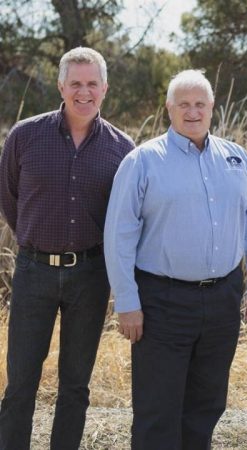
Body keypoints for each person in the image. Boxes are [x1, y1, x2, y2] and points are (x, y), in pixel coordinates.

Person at [103, 69, 247, 449]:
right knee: (157, 412)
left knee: (206, 407)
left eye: (200, 104)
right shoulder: (142, 161)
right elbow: (118, 236)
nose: (192, 112)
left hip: (223, 299)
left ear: (212, 107)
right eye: (184, 105)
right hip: (161, 302)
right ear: (169, 108)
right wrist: (126, 302)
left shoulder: (237, 159)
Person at [0, 47, 134, 450]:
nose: (83, 92)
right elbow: (9, 198)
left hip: (91, 275)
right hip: (34, 272)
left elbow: (124, 217)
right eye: (75, 83)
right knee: (21, 381)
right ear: (61, 86)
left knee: (75, 385)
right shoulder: (25, 135)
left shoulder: (123, 149)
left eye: (92, 83)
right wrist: (34, 238)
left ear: (105, 88)